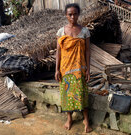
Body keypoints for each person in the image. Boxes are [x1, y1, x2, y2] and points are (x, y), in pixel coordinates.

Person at [55, 3, 92, 133]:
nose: (72, 17)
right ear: (66, 15)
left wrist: (88, 69)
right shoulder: (61, 32)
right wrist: (56, 69)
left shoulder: (85, 31)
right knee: (67, 93)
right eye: (70, 14)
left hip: (80, 68)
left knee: (82, 92)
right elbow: (58, 52)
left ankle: (86, 119)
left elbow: (87, 51)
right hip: (65, 69)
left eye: (75, 14)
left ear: (78, 14)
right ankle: (69, 118)